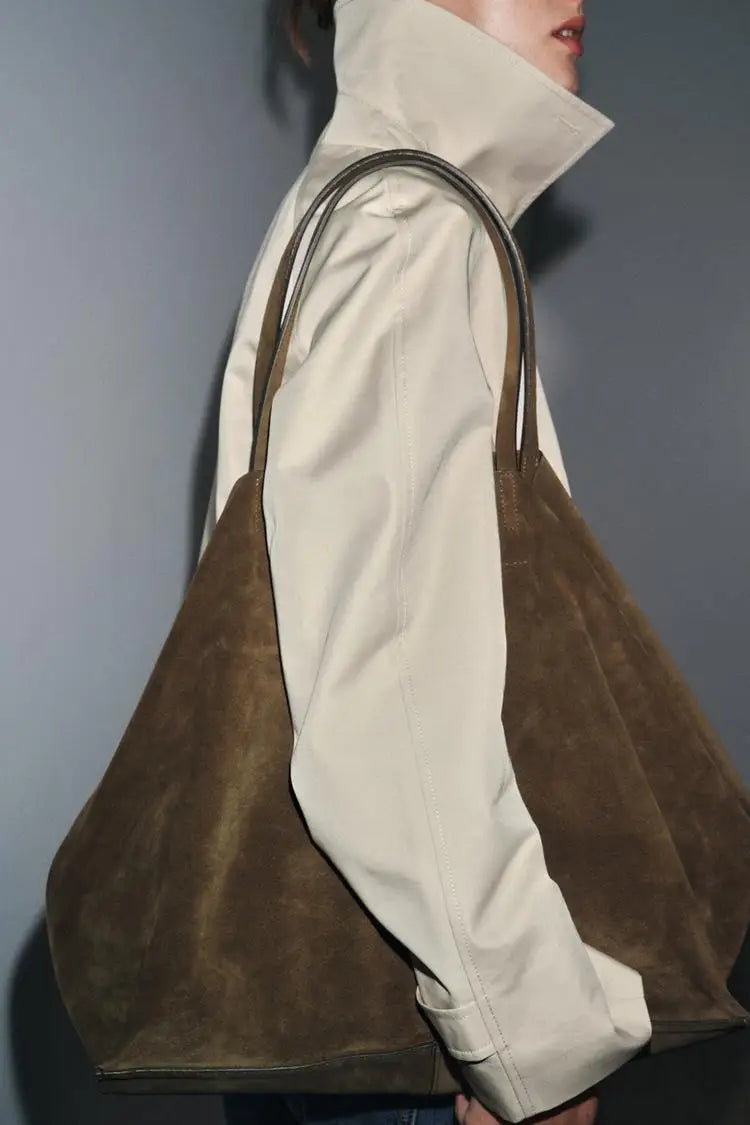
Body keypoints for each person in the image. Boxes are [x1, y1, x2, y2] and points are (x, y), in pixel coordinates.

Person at [203, 2, 653, 1124]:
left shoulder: (382, 201)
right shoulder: (410, 223)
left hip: (362, 988)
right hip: (421, 1026)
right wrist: (532, 1037)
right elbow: (390, 693)